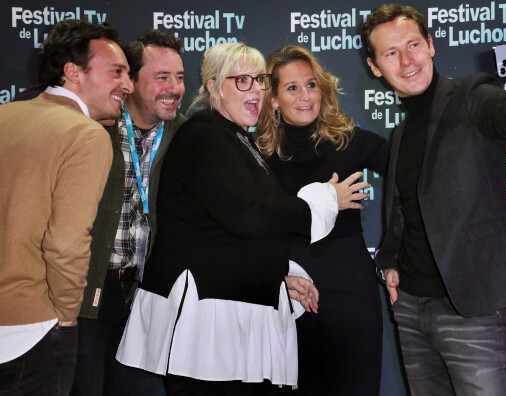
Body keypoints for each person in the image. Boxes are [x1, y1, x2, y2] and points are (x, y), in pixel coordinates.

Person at [115, 41, 369, 395]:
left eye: (260, 80)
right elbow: (249, 216)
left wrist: (281, 271)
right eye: (242, 81)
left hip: (230, 318)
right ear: (215, 87)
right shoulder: (205, 136)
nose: (256, 90)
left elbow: (237, 219)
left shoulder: (234, 137)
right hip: (206, 326)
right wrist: (327, 198)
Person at [360, 3, 506, 395]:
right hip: (411, 310)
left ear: (431, 46)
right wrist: (390, 263)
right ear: (375, 67)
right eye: (391, 53)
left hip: (476, 306)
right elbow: (408, 208)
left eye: (413, 45)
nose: (407, 60)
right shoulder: (402, 132)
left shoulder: (473, 96)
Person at [0, 19, 133, 395]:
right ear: (73, 72)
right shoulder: (86, 135)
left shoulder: (4, 116)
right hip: (33, 331)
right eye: (117, 72)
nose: (129, 84)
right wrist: (66, 318)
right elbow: (67, 243)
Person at [256, 45, 390, 395]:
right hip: (288, 292)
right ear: (272, 99)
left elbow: (418, 181)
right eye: (292, 87)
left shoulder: (353, 142)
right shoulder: (256, 156)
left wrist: (397, 253)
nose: (305, 96)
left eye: (311, 84)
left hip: (350, 293)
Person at [71, 29, 186, 396]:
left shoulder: (188, 134)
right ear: (131, 82)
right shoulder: (93, 128)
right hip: (91, 292)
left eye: (181, 78)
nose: (175, 88)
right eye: (162, 77)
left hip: (148, 296)